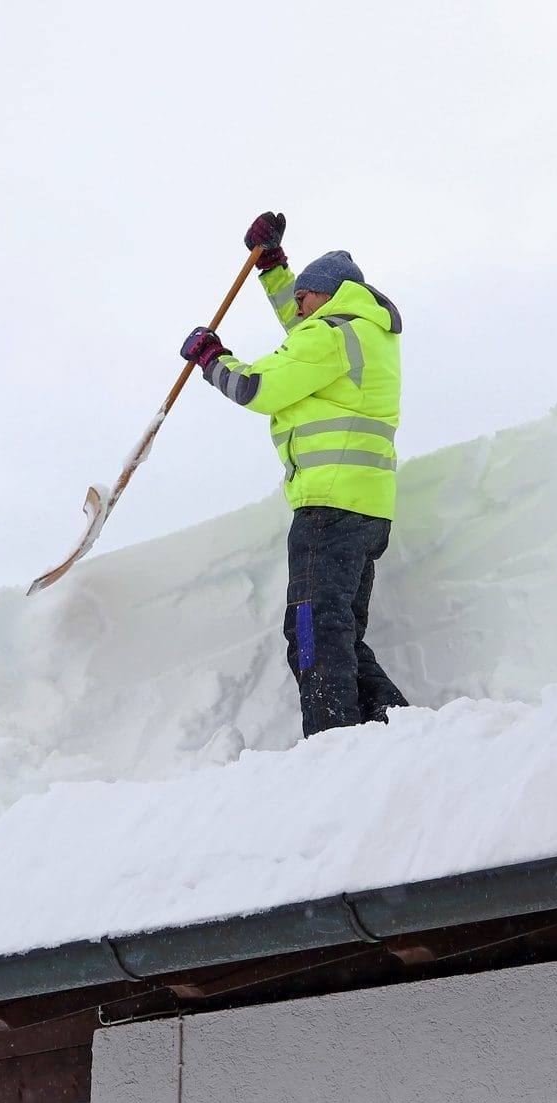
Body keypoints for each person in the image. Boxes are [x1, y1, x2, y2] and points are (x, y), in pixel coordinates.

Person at [179, 211, 410, 737]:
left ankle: (334, 745)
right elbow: (301, 323)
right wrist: (274, 268)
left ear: (329, 297)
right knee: (339, 633)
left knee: (311, 631)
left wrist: (212, 359)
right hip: (366, 510)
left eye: (304, 296)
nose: (298, 306)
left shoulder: (328, 338)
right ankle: (402, 735)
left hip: (328, 507)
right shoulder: (364, 333)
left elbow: (258, 387)